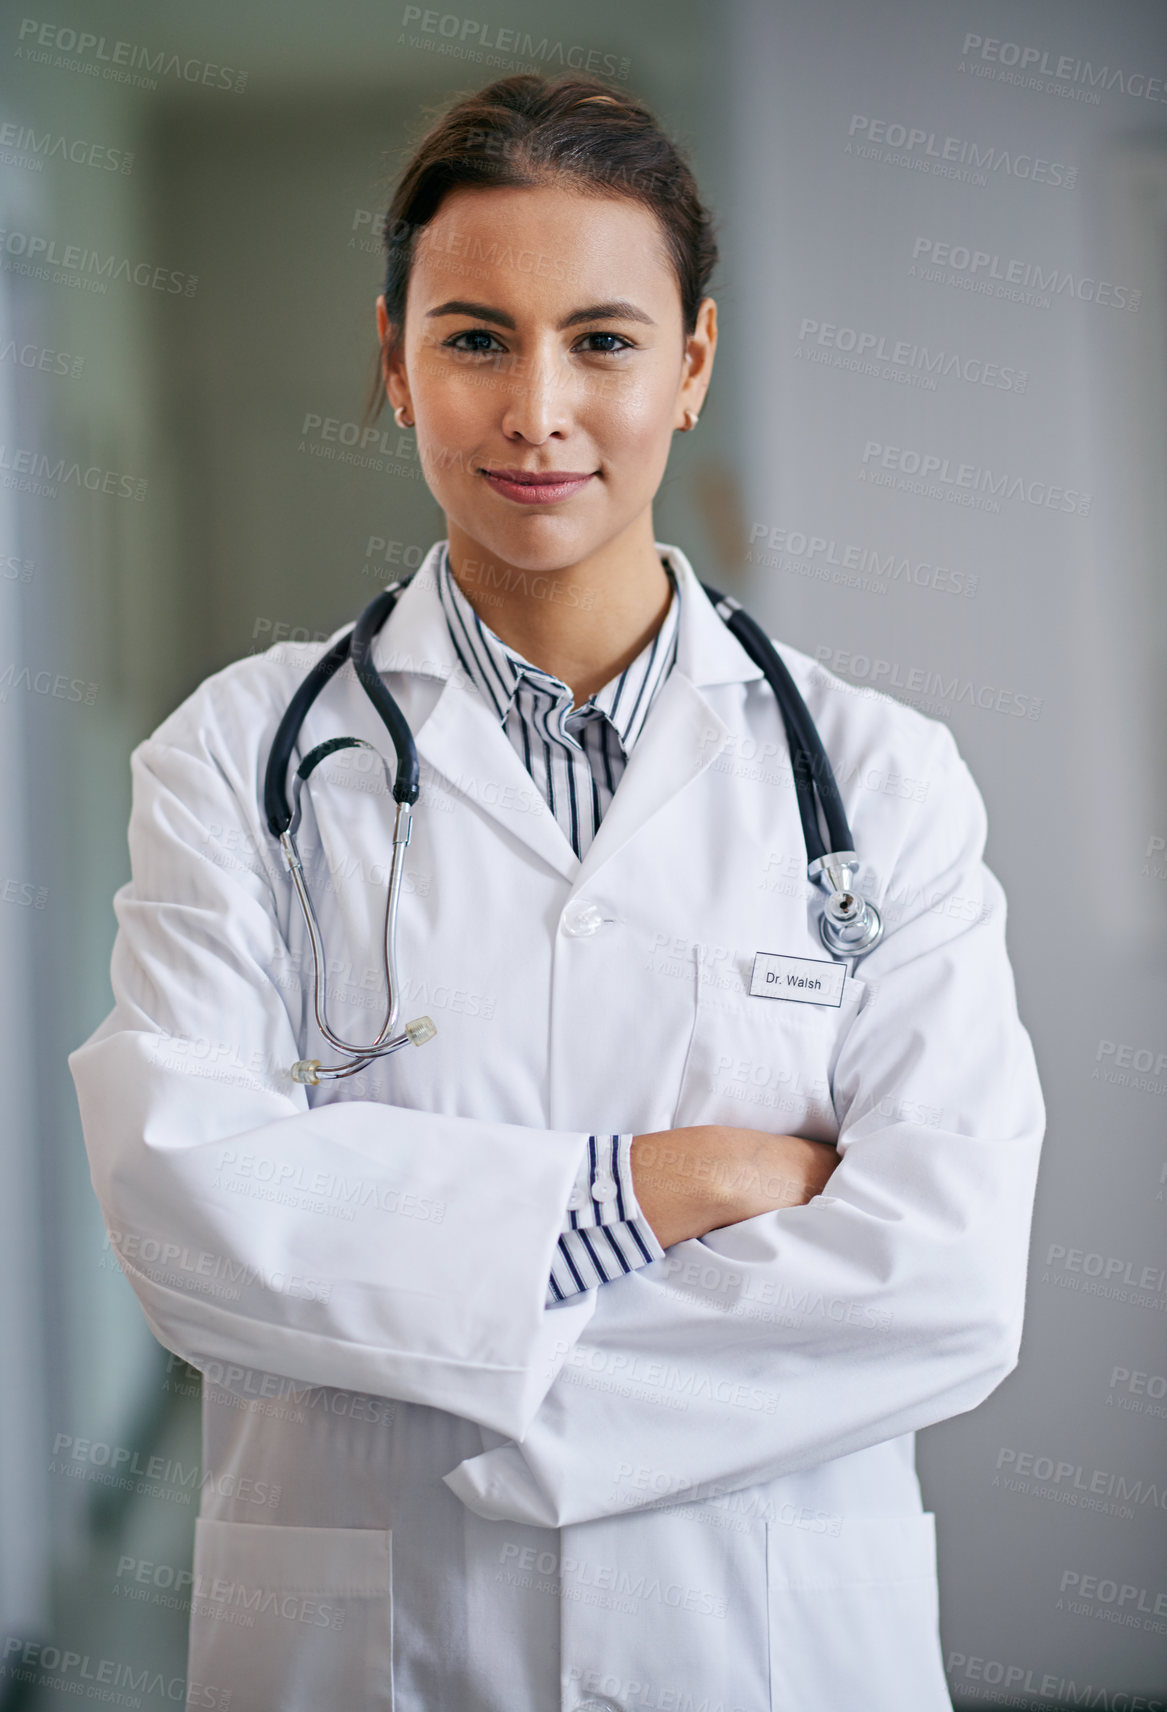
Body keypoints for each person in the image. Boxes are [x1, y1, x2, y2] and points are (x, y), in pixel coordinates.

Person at [68, 71, 1045, 1712]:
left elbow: (944, 1279)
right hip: (373, 1647)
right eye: (473, 338)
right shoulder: (236, 762)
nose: (538, 409)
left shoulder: (883, 780)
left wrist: (460, 1336)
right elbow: (191, 1219)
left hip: (762, 1643)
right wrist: (656, 1188)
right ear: (393, 364)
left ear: (693, 366)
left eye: (602, 340)